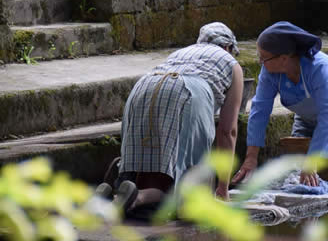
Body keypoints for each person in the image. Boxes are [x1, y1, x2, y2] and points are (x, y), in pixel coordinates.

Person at [99, 22, 245, 214]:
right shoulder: (231, 63)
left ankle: (112, 192)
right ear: (228, 47)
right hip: (188, 91)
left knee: (145, 156)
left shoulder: (182, 52)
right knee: (186, 186)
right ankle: (139, 197)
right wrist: (223, 189)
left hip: (144, 86)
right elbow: (228, 131)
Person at [231, 21, 328, 187]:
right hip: (309, 115)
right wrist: (251, 158)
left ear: (284, 58)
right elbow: (259, 110)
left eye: (264, 57)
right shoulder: (270, 72)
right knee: (295, 168)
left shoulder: (319, 67)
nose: (260, 61)